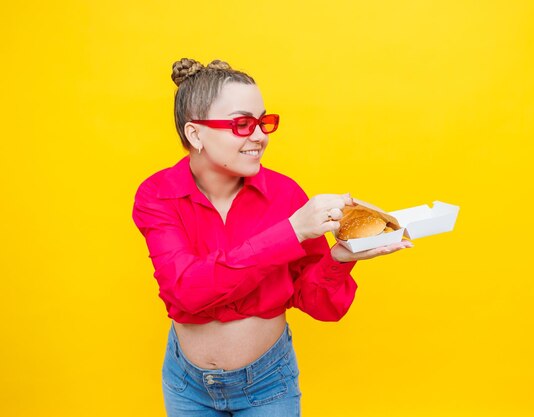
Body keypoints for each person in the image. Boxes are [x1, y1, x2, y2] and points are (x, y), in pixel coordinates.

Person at [132, 58, 413, 417]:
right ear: (195, 134)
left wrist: (340, 258)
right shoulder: (158, 195)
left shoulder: (285, 196)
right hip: (188, 387)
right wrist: (291, 232)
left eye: (263, 121)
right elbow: (186, 290)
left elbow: (315, 303)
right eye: (241, 124)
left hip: (268, 383)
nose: (260, 135)